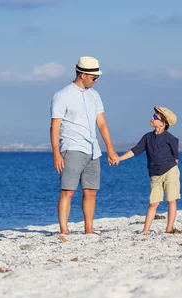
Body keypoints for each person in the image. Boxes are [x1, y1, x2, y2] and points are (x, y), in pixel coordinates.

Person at [50, 56, 119, 235]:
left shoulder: (94, 95)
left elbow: (102, 123)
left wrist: (110, 149)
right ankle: (64, 230)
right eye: (94, 77)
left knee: (91, 191)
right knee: (68, 191)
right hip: (72, 148)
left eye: (97, 78)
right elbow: (55, 126)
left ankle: (89, 228)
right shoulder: (62, 95)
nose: (96, 81)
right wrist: (56, 153)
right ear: (82, 75)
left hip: (93, 150)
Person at [118, 106, 180, 234]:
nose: (151, 118)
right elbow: (136, 150)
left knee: (171, 200)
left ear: (163, 124)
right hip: (155, 174)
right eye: (153, 116)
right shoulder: (147, 137)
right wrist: (120, 158)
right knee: (153, 202)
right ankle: (145, 230)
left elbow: (176, 157)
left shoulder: (170, 138)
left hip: (170, 171)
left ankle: (169, 228)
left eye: (155, 117)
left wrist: (169, 167)